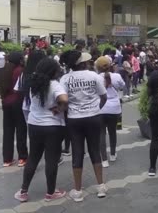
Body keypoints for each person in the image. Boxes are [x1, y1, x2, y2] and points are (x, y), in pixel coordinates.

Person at [14, 58, 68, 203]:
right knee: (51, 159)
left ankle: (23, 191)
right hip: (53, 126)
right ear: (53, 71)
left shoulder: (33, 84)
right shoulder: (55, 85)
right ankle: (50, 193)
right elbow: (64, 99)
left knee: (33, 158)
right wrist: (59, 108)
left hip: (34, 124)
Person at [60, 50, 108, 202]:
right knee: (95, 150)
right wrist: (96, 108)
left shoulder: (65, 79)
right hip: (93, 117)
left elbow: (63, 100)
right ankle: (101, 186)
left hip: (74, 119)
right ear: (82, 63)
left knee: (77, 152)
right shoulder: (93, 76)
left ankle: (78, 190)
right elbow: (104, 96)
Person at [0, 52, 28, 167]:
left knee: (8, 131)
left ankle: (7, 159)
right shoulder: (20, 71)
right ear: (19, 60)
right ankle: (22, 157)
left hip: (6, 102)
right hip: (18, 102)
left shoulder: (4, 70)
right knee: (21, 130)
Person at [95, 56, 125, 168]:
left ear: (97, 67)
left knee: (101, 134)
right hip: (114, 108)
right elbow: (123, 86)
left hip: (100, 107)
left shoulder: (96, 77)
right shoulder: (116, 76)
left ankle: (104, 159)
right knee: (113, 132)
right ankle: (113, 154)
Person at [15, 51, 47, 123]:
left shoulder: (24, 74)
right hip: (43, 107)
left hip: (27, 106)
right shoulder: (46, 74)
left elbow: (17, 89)